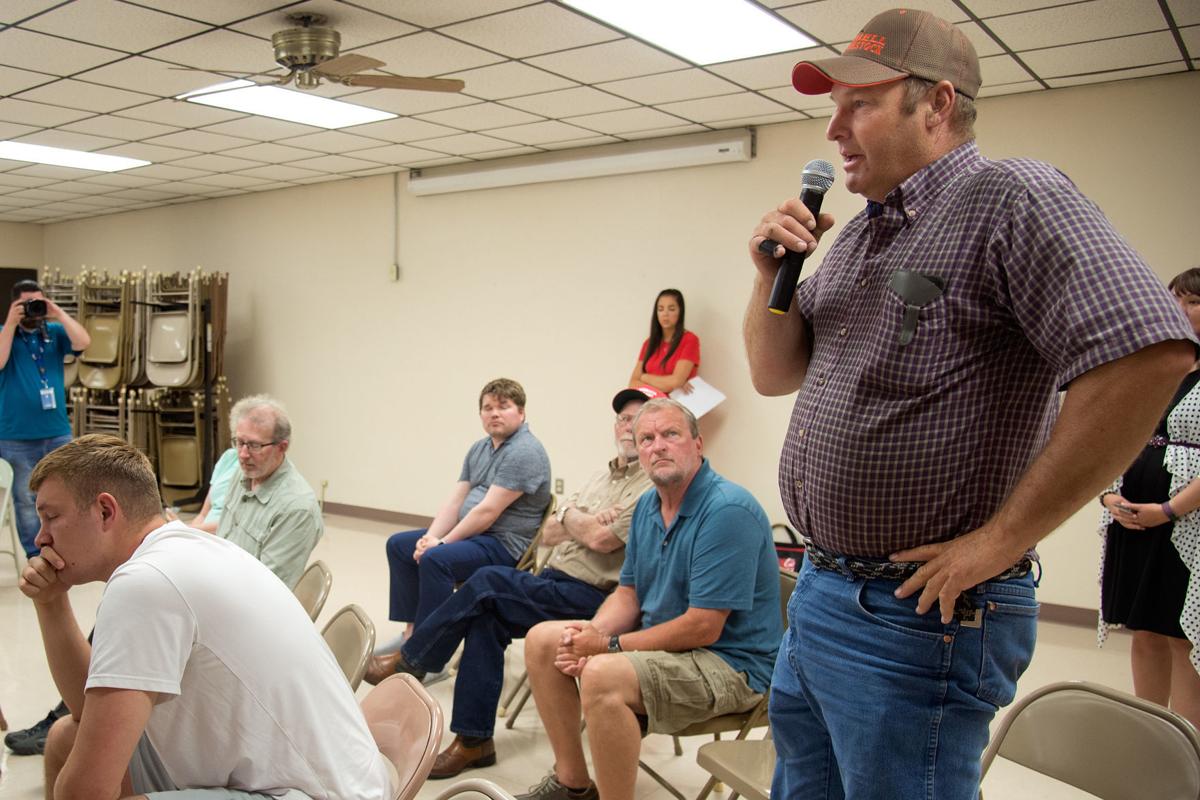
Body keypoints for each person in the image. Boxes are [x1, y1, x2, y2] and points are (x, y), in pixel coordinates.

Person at [744, 8, 1198, 800]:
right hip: (820, 591)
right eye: (833, 106)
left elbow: (1149, 355)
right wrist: (765, 277)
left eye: (859, 104)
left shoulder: (1010, 197)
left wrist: (1001, 540)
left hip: (918, 618)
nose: (834, 128)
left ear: (937, 104)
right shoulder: (854, 237)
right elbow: (773, 372)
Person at [19, 434, 393, 799]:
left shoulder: (145, 584)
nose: (40, 539)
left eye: (51, 517)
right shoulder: (181, 549)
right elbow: (87, 712)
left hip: (315, 793)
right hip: (335, 776)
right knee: (66, 739)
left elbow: (86, 791)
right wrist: (51, 603)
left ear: (105, 511)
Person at [364, 386, 660, 779]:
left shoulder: (649, 485)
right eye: (623, 418)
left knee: (486, 582)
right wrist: (580, 515)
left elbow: (600, 539)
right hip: (555, 578)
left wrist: (579, 520)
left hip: (597, 599)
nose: (628, 427)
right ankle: (474, 742)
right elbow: (552, 532)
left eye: (638, 420)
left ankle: (414, 659)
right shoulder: (602, 476)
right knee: (487, 621)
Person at [513, 398, 780, 800]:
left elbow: (704, 626)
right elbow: (630, 593)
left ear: (697, 444)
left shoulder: (727, 510)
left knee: (602, 673)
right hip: (667, 643)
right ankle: (572, 784)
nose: (658, 446)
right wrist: (590, 632)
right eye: (647, 438)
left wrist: (608, 646)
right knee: (545, 639)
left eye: (671, 434)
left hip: (732, 663)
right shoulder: (647, 507)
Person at [1099, 267, 1200, 729]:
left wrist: (1168, 509)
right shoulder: (1157, 363)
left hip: (1185, 525)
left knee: (1180, 634)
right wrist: (1108, 496)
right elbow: (1113, 432)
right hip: (1134, 518)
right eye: (1174, 298)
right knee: (1144, 629)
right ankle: (1154, 741)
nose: (1180, 309)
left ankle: (1189, 754)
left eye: (1193, 301)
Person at [384, 378, 551, 640]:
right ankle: (412, 632)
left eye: (503, 406)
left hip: (504, 545)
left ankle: (427, 649)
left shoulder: (525, 451)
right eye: (487, 408)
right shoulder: (480, 448)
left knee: (436, 560)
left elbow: (487, 513)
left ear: (521, 412)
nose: (494, 413)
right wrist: (431, 537)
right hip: (475, 537)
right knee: (399, 545)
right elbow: (456, 500)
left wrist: (441, 545)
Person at [0, 279, 90, 559]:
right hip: (17, 436)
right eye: (26, 304)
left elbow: (83, 341)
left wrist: (58, 313)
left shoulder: (52, 333)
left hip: (57, 431)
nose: (31, 310)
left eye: (36, 302)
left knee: (68, 492)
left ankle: (68, 545)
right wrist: (11, 323)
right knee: (27, 500)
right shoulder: (5, 333)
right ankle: (35, 554)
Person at [216, 394, 323, 590]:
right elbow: (223, 537)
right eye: (239, 442)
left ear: (282, 447)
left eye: (255, 445)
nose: (243, 454)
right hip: (219, 581)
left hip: (247, 604)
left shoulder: (297, 509)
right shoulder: (243, 473)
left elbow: (266, 592)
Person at [627, 289, 699, 394]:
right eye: (660, 309)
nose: (665, 314)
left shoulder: (689, 340)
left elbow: (676, 381)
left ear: (680, 311)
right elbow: (633, 383)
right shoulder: (648, 344)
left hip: (676, 406)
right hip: (649, 404)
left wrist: (644, 377)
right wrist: (667, 385)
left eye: (671, 309)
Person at [188, 446, 238, 533]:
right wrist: (188, 532)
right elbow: (203, 515)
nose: (243, 452)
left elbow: (237, 525)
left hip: (226, 538)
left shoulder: (257, 472)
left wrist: (189, 530)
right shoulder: (230, 456)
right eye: (239, 441)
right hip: (203, 533)